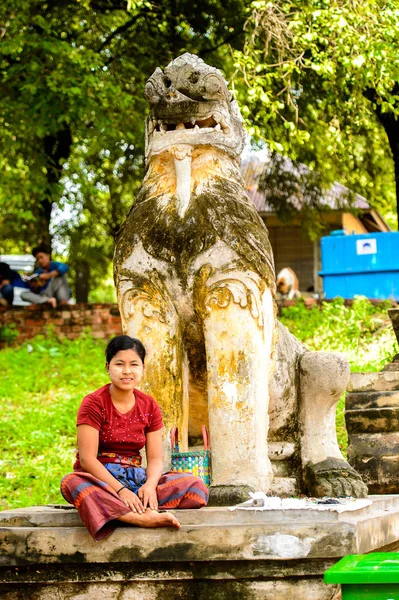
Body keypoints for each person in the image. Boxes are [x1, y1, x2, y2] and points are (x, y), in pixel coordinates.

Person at [61, 335, 208, 541]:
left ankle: (125, 509)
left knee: (195, 486)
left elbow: (155, 458)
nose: (127, 371)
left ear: (143, 368)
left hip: (136, 479)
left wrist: (149, 486)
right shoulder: (93, 403)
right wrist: (120, 491)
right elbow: (87, 460)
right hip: (102, 480)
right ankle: (139, 517)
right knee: (72, 482)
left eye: (134, 364)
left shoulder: (149, 405)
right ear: (107, 367)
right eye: (119, 364)